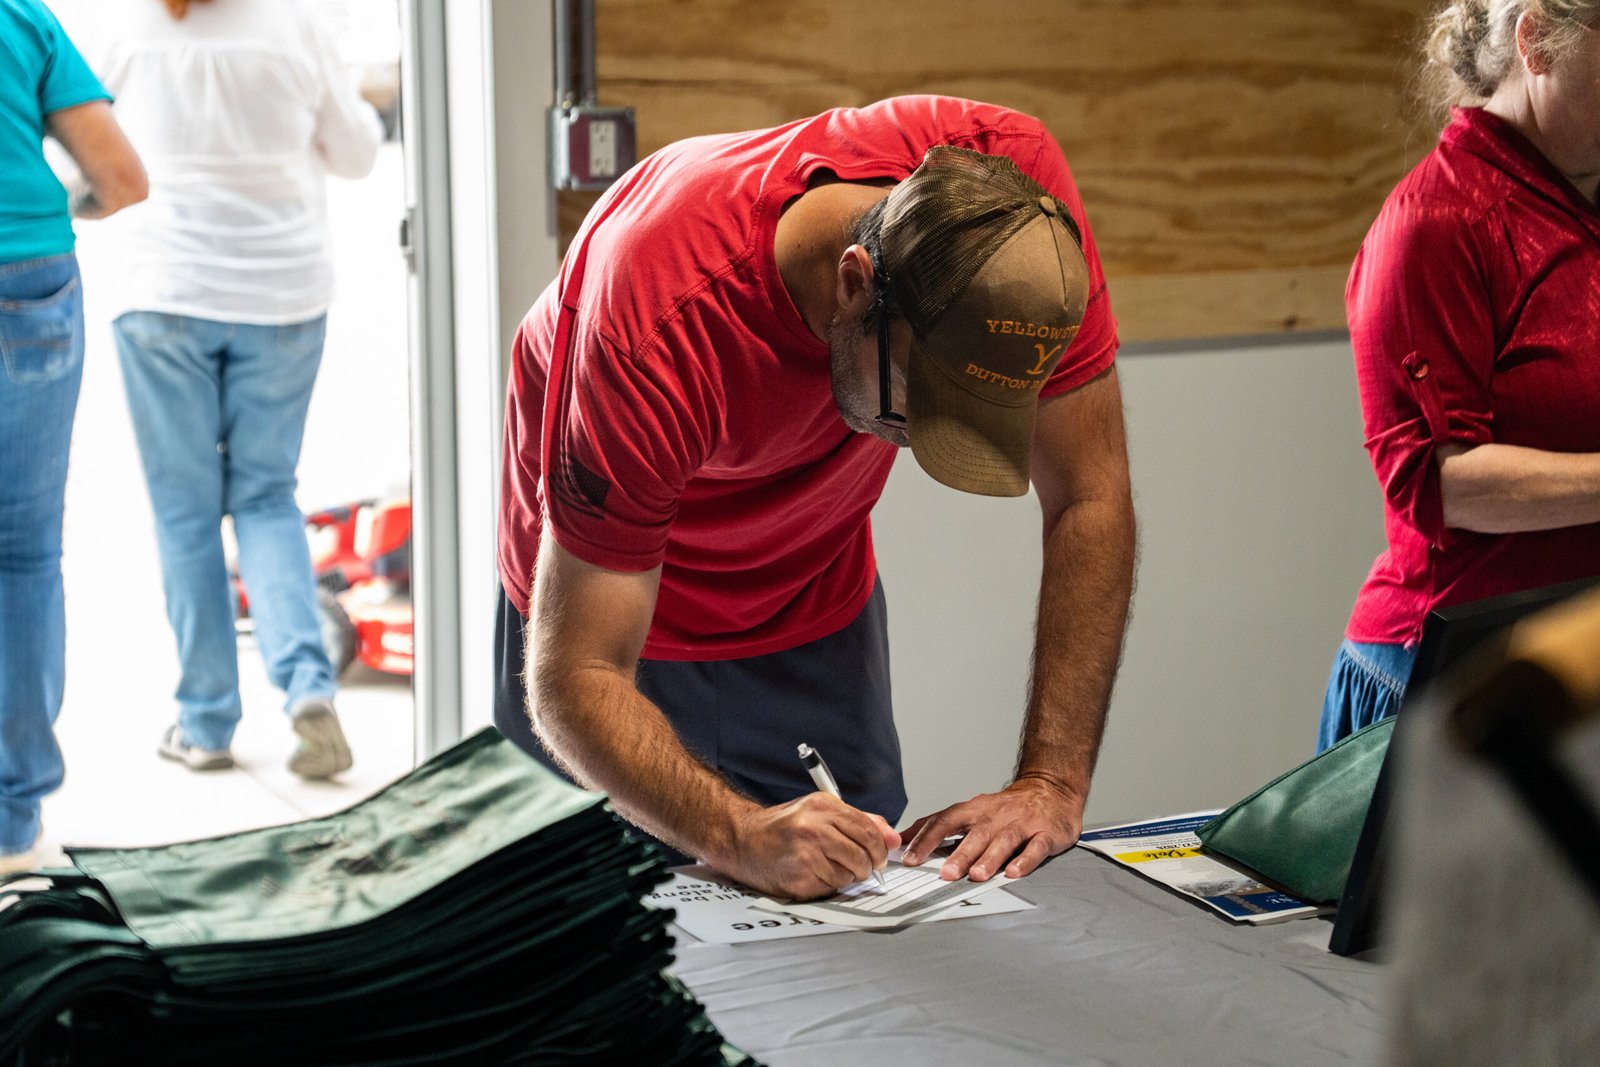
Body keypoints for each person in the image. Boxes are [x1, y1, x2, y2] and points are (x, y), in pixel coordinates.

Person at [494, 96, 1136, 902]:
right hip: (608, 612)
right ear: (854, 283)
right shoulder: (656, 314)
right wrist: (736, 834)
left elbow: (1088, 494)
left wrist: (1051, 781)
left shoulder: (1018, 216)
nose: (912, 446)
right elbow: (574, 673)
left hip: (809, 587)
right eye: (913, 412)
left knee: (855, 904)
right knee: (592, 944)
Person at [85, 0, 382, 778]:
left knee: (186, 513)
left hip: (163, 294)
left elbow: (82, 154)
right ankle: (308, 688)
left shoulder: (127, 31)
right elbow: (354, 155)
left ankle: (207, 721)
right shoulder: (295, 26)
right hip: (280, 297)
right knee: (263, 496)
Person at [1320, 0, 1600, 752]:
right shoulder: (1436, 221)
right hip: (1446, 679)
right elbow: (1441, 485)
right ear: (1537, 41)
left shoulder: (1581, 202)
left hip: (1567, 658)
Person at [0, 0, 146, 875]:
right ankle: (10, 826)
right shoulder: (21, 16)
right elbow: (122, 179)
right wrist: (61, 208)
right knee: (20, 555)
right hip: (29, 277)